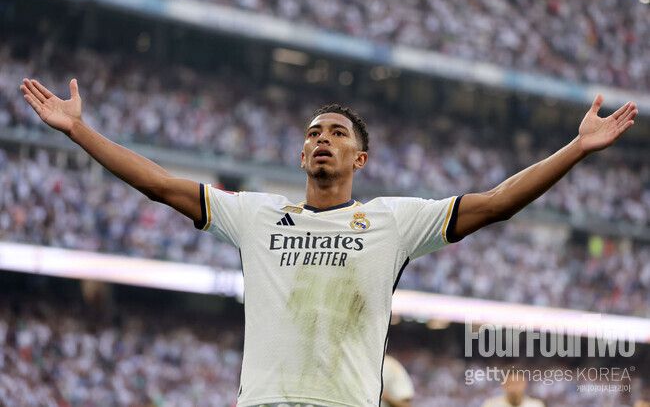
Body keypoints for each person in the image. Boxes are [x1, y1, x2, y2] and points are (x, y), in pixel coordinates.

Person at [19, 77, 637, 407]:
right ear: (301, 154)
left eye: (338, 133)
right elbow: (160, 185)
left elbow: (497, 203)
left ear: (359, 158)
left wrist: (577, 148)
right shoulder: (256, 215)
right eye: (314, 132)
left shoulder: (393, 222)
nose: (322, 138)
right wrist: (79, 131)